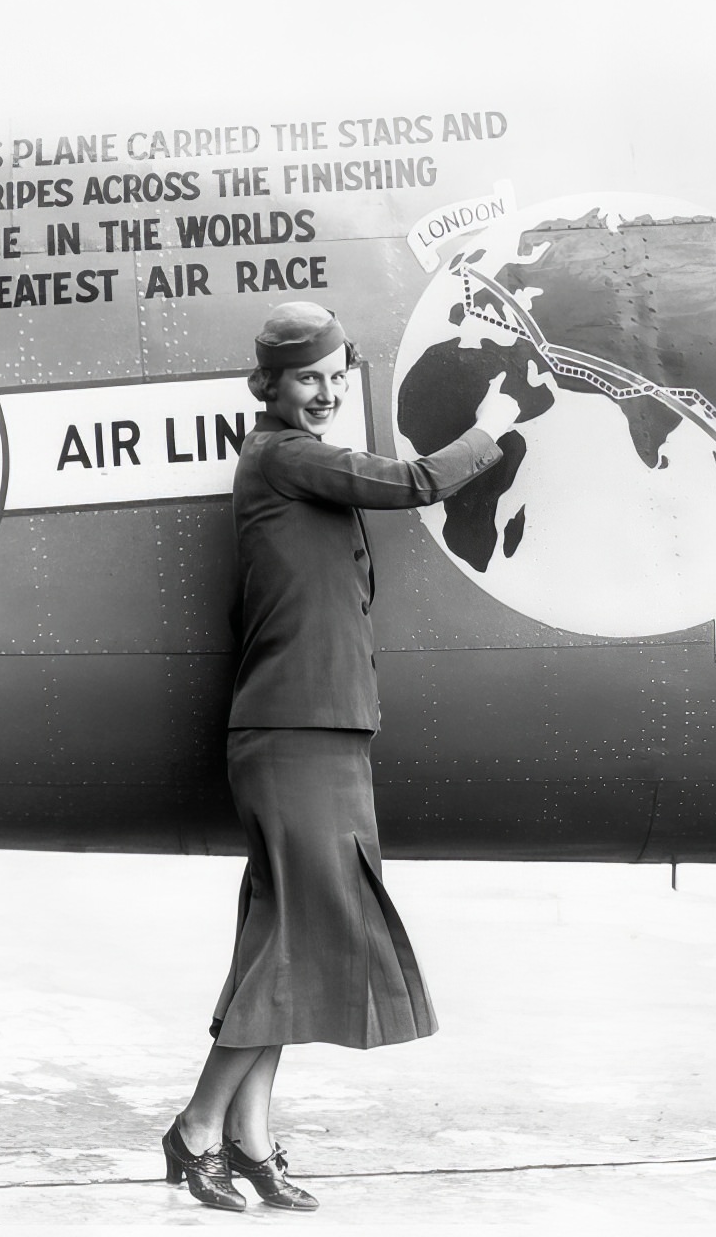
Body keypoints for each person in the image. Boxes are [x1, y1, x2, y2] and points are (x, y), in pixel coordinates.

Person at [162, 302, 520, 1212]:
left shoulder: (291, 468)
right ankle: (198, 1130)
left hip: (318, 731)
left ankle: (250, 1140)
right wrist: (494, 430)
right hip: (295, 735)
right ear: (271, 388)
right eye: (305, 378)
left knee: (283, 943)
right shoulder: (284, 455)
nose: (322, 393)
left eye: (332, 377)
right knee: (300, 939)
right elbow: (412, 482)